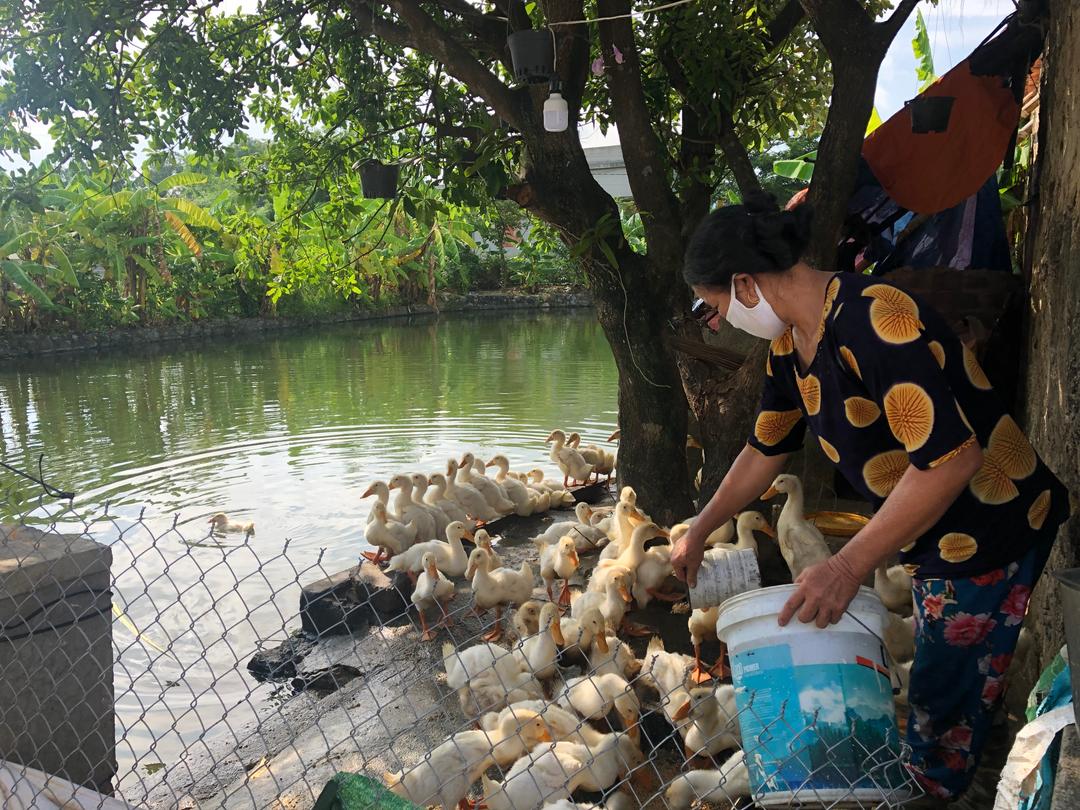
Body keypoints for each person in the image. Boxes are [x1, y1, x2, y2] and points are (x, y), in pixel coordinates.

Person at [670, 192, 1070, 802]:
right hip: (934, 533)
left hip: (990, 526)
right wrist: (701, 528)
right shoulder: (790, 343)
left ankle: (931, 793)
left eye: (713, 305)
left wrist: (847, 564)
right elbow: (763, 449)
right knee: (936, 695)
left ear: (746, 282)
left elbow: (950, 459)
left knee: (941, 710)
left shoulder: (874, 319)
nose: (718, 323)